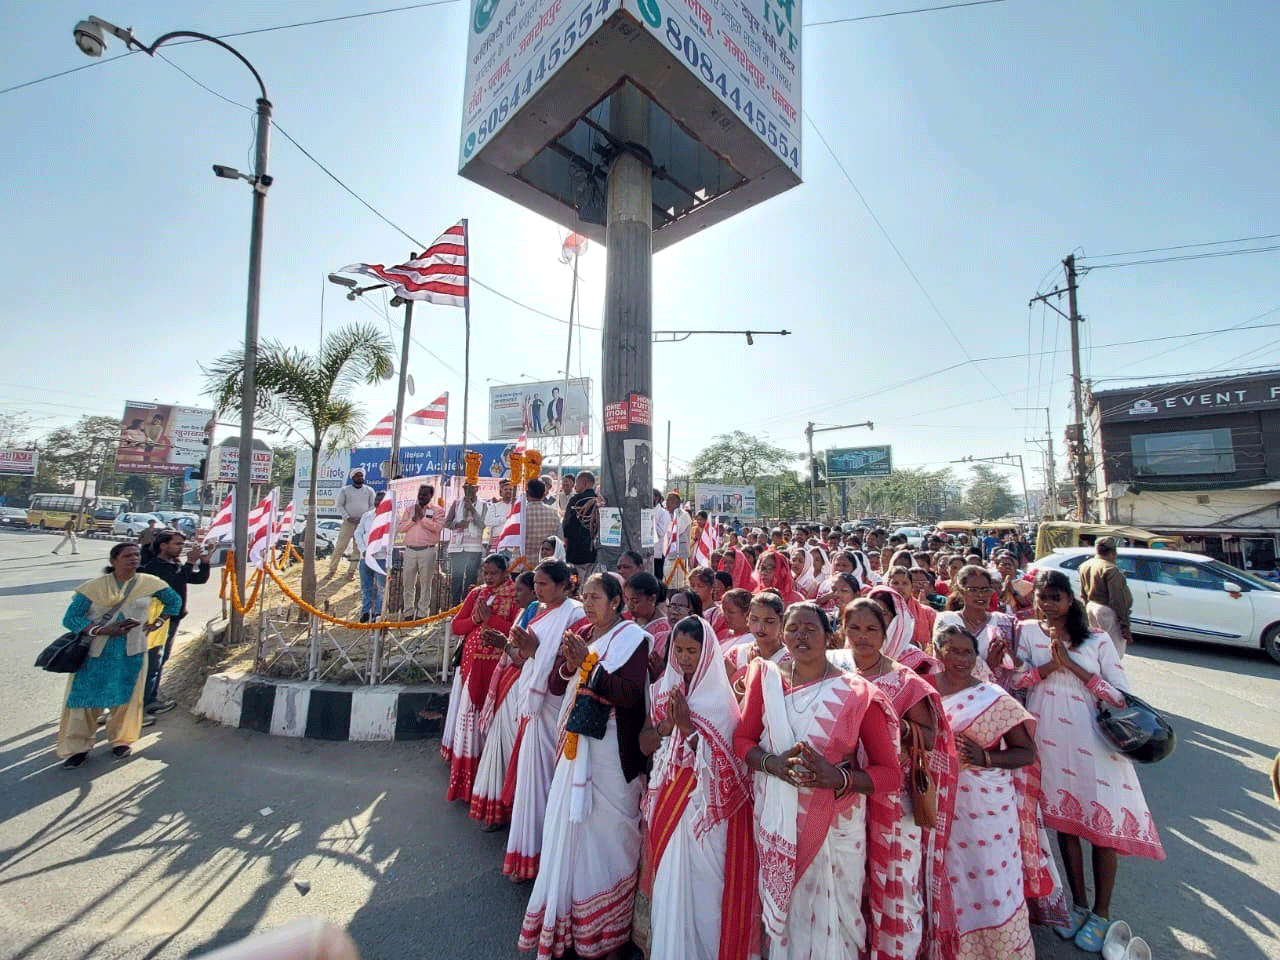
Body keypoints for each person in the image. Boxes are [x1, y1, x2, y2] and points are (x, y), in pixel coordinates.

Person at [732, 602, 902, 960]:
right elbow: (742, 740)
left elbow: (890, 774)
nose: (801, 636)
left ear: (829, 637)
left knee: (838, 919)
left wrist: (837, 777)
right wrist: (771, 763)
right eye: (793, 629)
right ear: (783, 634)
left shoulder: (857, 694)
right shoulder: (767, 680)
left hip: (836, 825)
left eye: (811, 629)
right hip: (778, 820)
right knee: (787, 920)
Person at [1010, 570, 1165, 949]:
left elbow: (1120, 696)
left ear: (1071, 600)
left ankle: (1102, 913)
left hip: (1094, 743)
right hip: (1048, 739)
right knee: (1066, 826)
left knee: (1101, 830)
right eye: (1043, 597)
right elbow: (1016, 681)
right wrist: (1049, 666)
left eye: (1055, 597)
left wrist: (1073, 666)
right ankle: (1077, 906)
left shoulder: (1096, 640)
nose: (1048, 604)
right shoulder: (1028, 632)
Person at [518, 573, 650, 958]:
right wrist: (568, 663)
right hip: (576, 746)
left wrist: (588, 666)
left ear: (615, 602)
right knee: (573, 832)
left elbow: (628, 695)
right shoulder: (584, 634)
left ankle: (608, 930)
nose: (589, 603)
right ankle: (572, 924)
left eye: (596, 597)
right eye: (585, 596)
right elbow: (560, 687)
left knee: (609, 835)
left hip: (612, 752)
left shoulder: (634, 640)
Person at [835, 600, 959, 960]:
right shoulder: (833, 670)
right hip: (844, 793)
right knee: (850, 882)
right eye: (854, 628)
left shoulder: (905, 681)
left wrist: (889, 723)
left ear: (885, 634)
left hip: (893, 798)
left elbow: (930, 736)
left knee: (896, 884)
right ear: (843, 630)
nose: (861, 636)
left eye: (871, 629)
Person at [933, 620, 1059, 960]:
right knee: (945, 877)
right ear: (937, 652)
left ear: (977, 657)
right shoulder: (924, 691)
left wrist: (985, 757)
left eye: (967, 652)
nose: (959, 659)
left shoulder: (993, 697)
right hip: (937, 806)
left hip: (986, 815)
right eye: (952, 651)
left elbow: (1026, 753)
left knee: (990, 884)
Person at [640, 616, 755, 960]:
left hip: (704, 818)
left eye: (693, 650)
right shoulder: (663, 690)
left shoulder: (720, 703)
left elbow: (730, 774)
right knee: (669, 886)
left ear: (707, 654)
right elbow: (646, 744)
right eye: (680, 649)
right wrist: (669, 726)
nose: (685, 657)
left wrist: (689, 727)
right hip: (668, 801)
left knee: (703, 894)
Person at [55, 543, 183, 767]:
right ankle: (78, 748)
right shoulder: (93, 588)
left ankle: (120, 741)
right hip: (95, 653)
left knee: (126, 698)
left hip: (132, 651)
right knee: (84, 701)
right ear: (114, 560)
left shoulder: (150, 583)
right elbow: (71, 618)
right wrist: (102, 630)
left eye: (136, 555)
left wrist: (159, 622)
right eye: (127, 555)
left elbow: (174, 602)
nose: (133, 559)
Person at [503, 560, 588, 882]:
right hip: (535, 703)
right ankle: (529, 854)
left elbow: (572, 663)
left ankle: (548, 856)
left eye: (543, 584)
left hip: (555, 702)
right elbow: (525, 657)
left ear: (564, 585)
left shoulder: (575, 614)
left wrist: (535, 650)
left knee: (551, 779)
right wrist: (521, 649)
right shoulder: (538, 611)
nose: (537, 590)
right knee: (532, 780)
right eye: (535, 584)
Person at [442, 554, 518, 803]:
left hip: (499, 672)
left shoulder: (517, 595)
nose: (488, 577)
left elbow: (517, 633)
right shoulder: (477, 594)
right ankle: (469, 779)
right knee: (471, 721)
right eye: (485, 573)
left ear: (506, 573)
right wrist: (476, 619)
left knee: (493, 723)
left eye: (494, 573)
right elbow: (457, 627)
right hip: (472, 668)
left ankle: (490, 779)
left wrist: (490, 620)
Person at [470, 570, 539, 830]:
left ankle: (515, 812)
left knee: (514, 752)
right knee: (499, 750)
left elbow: (527, 654)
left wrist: (503, 643)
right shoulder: (527, 611)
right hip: (508, 683)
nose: (516, 594)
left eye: (521, 590)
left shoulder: (538, 613)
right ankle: (497, 810)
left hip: (522, 686)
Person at [139, 530, 210, 715]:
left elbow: (197, 579)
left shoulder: (175, 563)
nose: (181, 548)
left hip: (173, 618)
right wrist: (190, 562)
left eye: (181, 544)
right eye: (177, 544)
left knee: (160, 660)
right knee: (154, 660)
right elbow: (174, 580)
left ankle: (150, 697)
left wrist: (204, 562)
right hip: (159, 619)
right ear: (163, 545)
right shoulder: (155, 566)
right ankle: (147, 702)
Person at [1077, 537, 1134, 658]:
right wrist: (1125, 625)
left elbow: (1083, 594)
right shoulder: (1110, 569)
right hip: (1107, 611)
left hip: (1091, 607)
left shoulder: (1085, 565)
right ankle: (1109, 676)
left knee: (1097, 646)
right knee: (1113, 652)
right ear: (1113, 553)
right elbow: (1118, 600)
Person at [724, 590, 788, 696]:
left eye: (769, 621)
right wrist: (746, 678)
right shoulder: (737, 654)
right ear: (747, 620)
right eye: (755, 619)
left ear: (781, 623)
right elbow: (721, 699)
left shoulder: (788, 660)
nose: (761, 627)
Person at [402, 483, 444, 621]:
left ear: (431, 496)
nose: (421, 496)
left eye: (425, 494)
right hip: (409, 551)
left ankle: (422, 614)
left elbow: (438, 527)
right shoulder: (409, 510)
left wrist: (423, 519)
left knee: (425, 584)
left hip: (427, 551)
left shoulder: (437, 511)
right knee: (408, 583)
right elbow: (400, 527)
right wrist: (413, 520)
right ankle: (408, 612)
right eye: (420, 493)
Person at [327, 470, 375, 579]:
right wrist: (348, 517)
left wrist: (364, 518)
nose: (359, 477)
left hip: (362, 524)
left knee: (357, 549)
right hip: (348, 522)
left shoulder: (369, 490)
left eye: (361, 475)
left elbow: (373, 506)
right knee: (340, 546)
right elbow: (339, 505)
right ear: (352, 477)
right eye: (357, 475)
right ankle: (332, 570)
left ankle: (351, 572)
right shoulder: (345, 490)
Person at [445, 484, 486, 605]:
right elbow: (447, 523)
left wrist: (472, 509)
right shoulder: (457, 503)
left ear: (477, 489)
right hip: (457, 547)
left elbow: (482, 525)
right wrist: (457, 525)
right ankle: (454, 606)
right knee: (456, 577)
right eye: (465, 488)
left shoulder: (483, 505)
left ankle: (466, 605)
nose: (468, 491)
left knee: (471, 577)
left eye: (471, 488)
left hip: (473, 547)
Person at [354, 492, 387, 622]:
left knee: (381, 587)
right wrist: (363, 549)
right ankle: (366, 612)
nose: (377, 503)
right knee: (365, 587)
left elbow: (388, 538)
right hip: (365, 557)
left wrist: (375, 550)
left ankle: (378, 613)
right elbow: (358, 533)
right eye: (376, 501)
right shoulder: (367, 516)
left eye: (381, 501)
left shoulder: (390, 517)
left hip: (381, 557)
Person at [562, 471, 600, 584]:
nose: (575, 487)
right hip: (594, 552)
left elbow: (566, 526)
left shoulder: (576, 500)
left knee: (576, 584)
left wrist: (566, 545)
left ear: (584, 483)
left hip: (575, 551)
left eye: (577, 484)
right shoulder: (599, 500)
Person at [624, 571, 670, 659]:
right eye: (627, 599)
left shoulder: (663, 629)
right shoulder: (632, 620)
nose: (630, 605)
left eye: (635, 601)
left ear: (652, 599)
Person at [522, 478, 563, 563]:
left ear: (527, 494)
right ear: (544, 494)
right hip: (545, 566)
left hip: (521, 565)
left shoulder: (519, 515)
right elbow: (559, 539)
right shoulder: (554, 513)